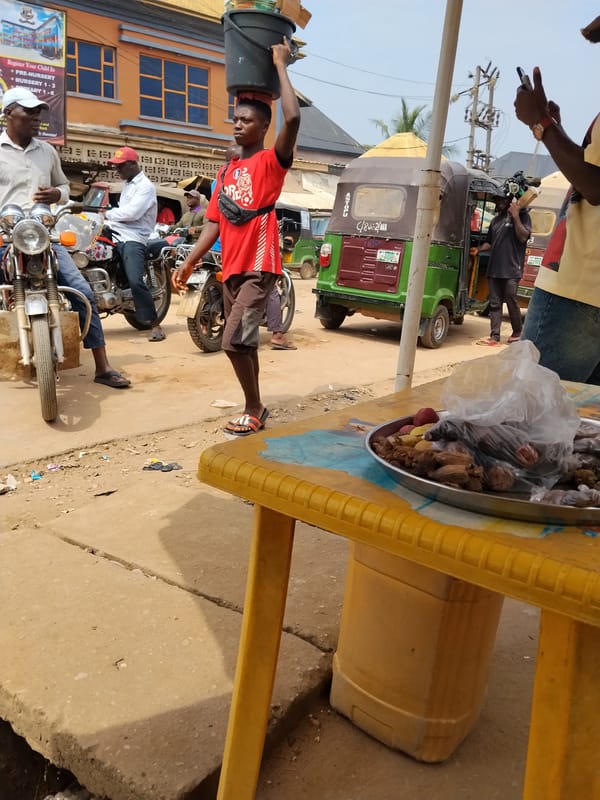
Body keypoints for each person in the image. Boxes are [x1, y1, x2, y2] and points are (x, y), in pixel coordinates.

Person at [173, 38, 300, 436]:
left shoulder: (270, 162)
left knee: (232, 342)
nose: (238, 123)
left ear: (263, 126)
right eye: (236, 119)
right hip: (231, 269)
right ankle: (257, 407)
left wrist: (281, 64)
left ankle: (253, 406)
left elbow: (293, 120)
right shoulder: (226, 173)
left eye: (247, 120)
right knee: (245, 342)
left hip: (260, 267)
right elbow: (213, 223)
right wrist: (189, 261)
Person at [0, 87, 130, 389]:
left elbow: (64, 187)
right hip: (6, 236)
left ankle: (102, 365)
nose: (36, 117)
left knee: (81, 290)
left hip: (45, 237)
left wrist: (57, 193)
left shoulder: (47, 151)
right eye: (28, 111)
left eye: (38, 112)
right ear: (8, 113)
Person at [513, 17, 600, 384]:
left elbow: (594, 186)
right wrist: (556, 129)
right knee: (582, 426)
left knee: (530, 412)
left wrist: (543, 127)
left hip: (579, 286)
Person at [105, 146, 165, 342]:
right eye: (116, 167)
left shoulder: (145, 186)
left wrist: (105, 213)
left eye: (121, 166)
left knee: (135, 280)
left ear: (132, 164)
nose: (118, 170)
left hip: (133, 237)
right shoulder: (129, 184)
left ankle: (155, 325)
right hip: (116, 234)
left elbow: (131, 214)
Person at [473, 193, 531, 347]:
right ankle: (494, 337)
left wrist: (516, 216)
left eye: (502, 200)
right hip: (495, 268)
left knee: (511, 300)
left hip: (512, 269)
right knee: (494, 303)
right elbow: (489, 243)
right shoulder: (495, 221)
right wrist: (478, 249)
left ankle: (517, 332)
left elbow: (523, 237)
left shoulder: (523, 216)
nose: (499, 203)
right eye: (497, 201)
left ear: (509, 201)